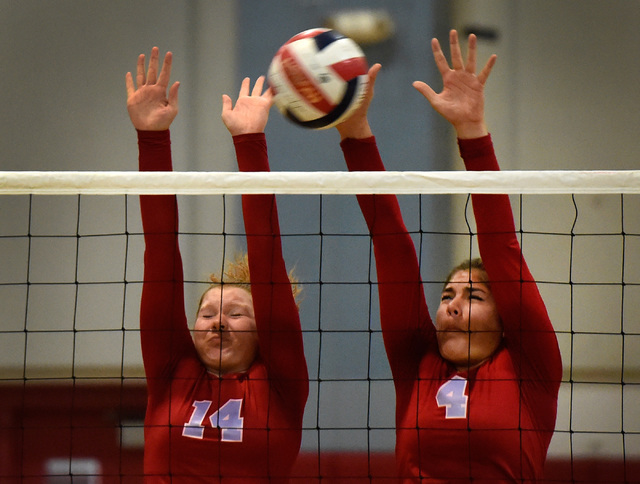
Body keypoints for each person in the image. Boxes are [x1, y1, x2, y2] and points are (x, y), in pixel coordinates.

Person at [335, 30, 562, 482]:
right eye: (448, 294)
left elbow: (502, 247)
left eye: (474, 296)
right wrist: (353, 131)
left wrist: (471, 131)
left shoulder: (529, 368)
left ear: (505, 319)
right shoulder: (419, 362)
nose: (452, 304)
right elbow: (391, 244)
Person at [126, 47, 308, 483]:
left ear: (263, 326)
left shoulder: (279, 382)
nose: (217, 323)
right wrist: (152, 138)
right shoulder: (175, 371)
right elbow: (161, 251)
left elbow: (266, 252)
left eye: (235, 313)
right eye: (207, 313)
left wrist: (249, 142)